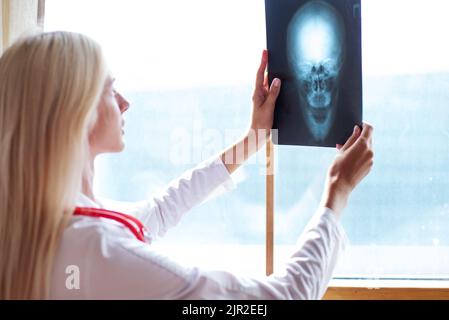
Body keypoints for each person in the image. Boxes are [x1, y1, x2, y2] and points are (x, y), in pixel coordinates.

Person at [0, 31, 374, 300]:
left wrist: (251, 141)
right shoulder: (102, 252)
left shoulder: (47, 224)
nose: (125, 102)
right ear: (73, 111)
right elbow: (284, 297)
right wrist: (336, 193)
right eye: (109, 89)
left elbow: (161, 210)